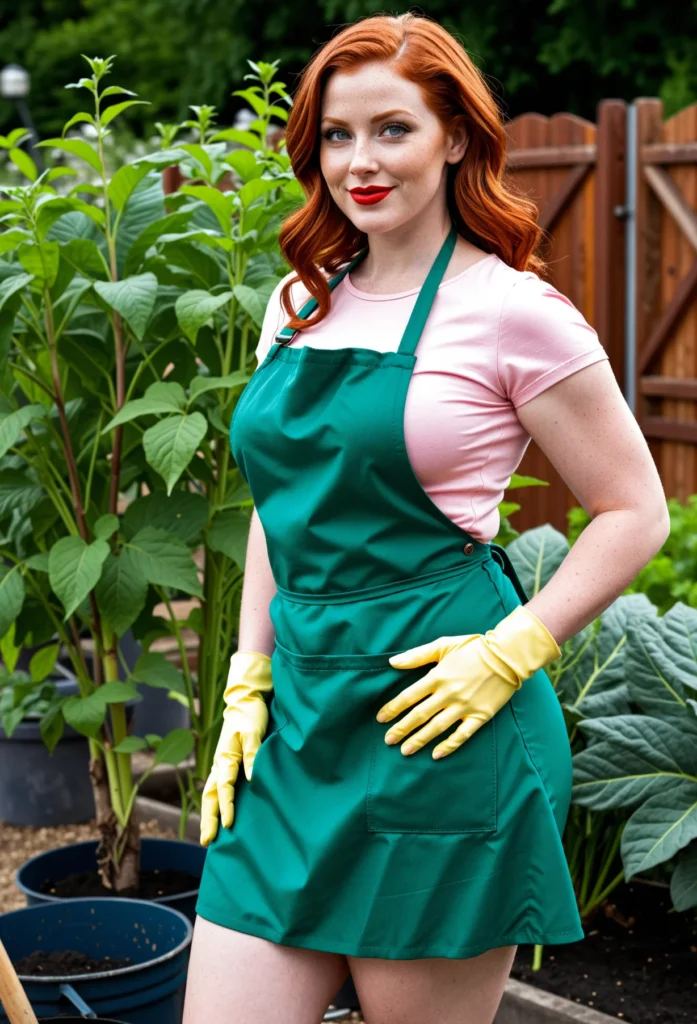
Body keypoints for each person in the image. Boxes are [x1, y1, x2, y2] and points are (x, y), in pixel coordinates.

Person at [183, 12, 670, 1024]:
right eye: (335, 134)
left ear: (455, 136)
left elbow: (635, 510)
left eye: (391, 129)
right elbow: (285, 503)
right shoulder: (298, 302)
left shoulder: (513, 312)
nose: (359, 161)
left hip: (440, 730)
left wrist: (512, 650)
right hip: (298, 729)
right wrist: (247, 671)